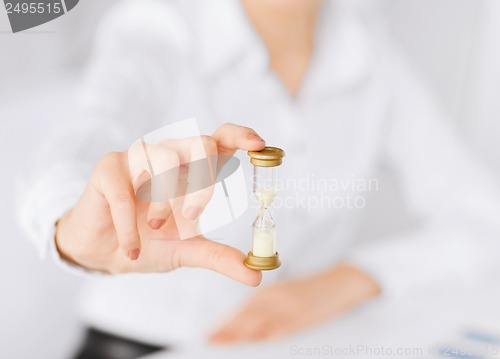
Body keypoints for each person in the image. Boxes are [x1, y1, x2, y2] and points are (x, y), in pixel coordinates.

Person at [19, 0, 500, 358]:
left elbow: (484, 220)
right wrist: (70, 223)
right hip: (141, 345)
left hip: (294, 343)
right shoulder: (160, 27)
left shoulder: (371, 55)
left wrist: (351, 279)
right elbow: (83, 136)